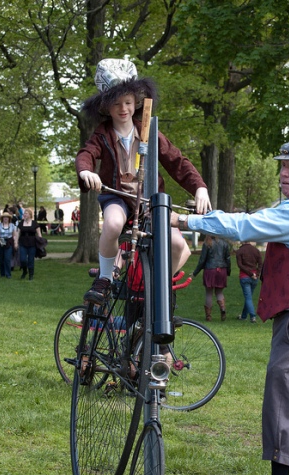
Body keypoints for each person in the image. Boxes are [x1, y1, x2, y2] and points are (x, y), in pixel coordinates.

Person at [171, 142, 289, 475]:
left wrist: (186, 221)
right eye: (282, 165)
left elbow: (245, 225)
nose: (284, 173)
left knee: (283, 397)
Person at [76, 58, 211, 305]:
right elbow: (86, 154)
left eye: (128, 102)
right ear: (106, 107)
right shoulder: (102, 133)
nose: (123, 108)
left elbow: (177, 161)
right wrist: (87, 171)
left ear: (136, 102)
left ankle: (152, 289)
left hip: (148, 200)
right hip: (117, 196)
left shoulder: (149, 129)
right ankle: (105, 279)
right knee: (114, 223)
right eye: (116, 103)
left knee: (179, 245)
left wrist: (199, 187)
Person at [191, 236, 231, 321]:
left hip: (210, 269)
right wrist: (228, 271)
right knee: (219, 292)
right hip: (222, 269)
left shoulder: (207, 243)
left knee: (209, 293)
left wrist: (195, 273)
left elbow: (202, 260)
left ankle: (208, 316)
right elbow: (228, 258)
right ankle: (222, 308)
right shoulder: (224, 243)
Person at [235, 242, 263, 323]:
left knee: (248, 298)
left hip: (244, 277)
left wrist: (250, 274)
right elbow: (260, 263)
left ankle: (252, 316)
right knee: (249, 297)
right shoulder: (256, 250)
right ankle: (244, 316)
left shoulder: (240, 251)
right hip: (254, 277)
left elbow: (240, 265)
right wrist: (257, 274)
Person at [16, 208, 42, 280]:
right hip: (23, 243)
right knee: (23, 259)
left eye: (26, 213)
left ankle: (31, 274)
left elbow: (39, 234)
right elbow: (18, 233)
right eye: (24, 213)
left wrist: (41, 243)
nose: (24, 215)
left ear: (30, 215)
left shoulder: (34, 223)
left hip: (32, 244)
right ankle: (24, 271)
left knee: (31, 260)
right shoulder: (21, 223)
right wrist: (15, 242)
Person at [0, 212, 18, 279]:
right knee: (1, 259)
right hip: (0, 243)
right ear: (2, 218)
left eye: (7, 217)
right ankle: (2, 274)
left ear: (9, 218)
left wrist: (15, 243)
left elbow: (14, 235)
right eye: (4, 217)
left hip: (9, 243)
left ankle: (8, 274)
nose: (5, 218)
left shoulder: (12, 225)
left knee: (7, 259)